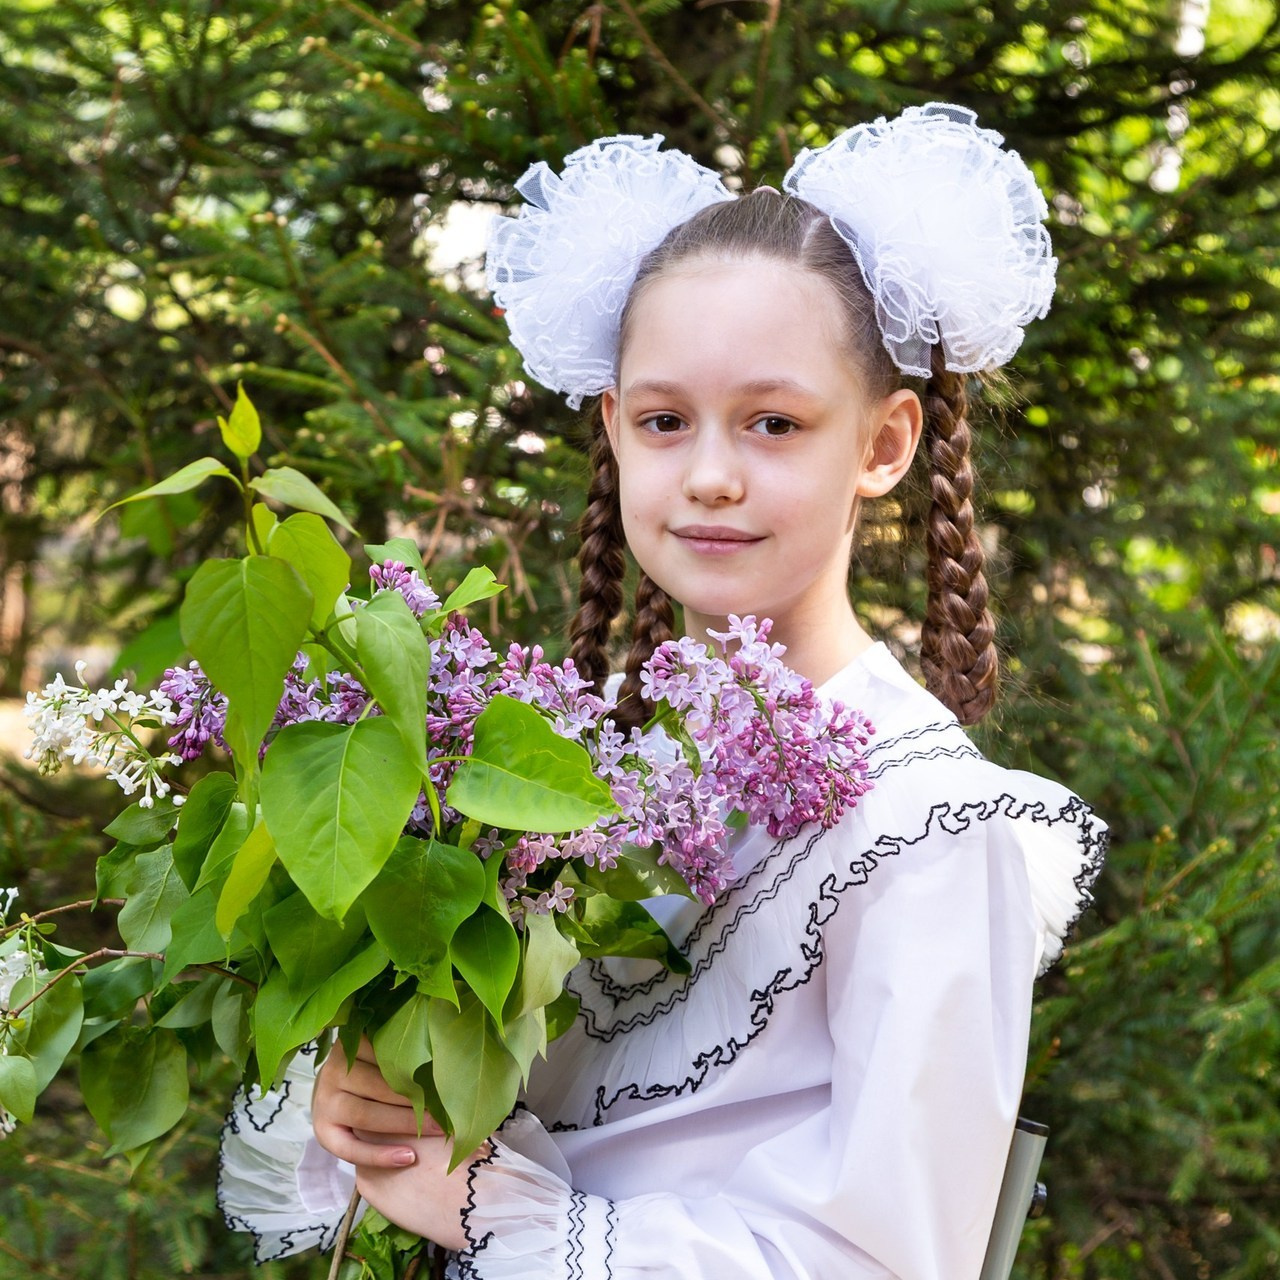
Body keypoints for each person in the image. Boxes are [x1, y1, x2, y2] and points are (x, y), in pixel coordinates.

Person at [218, 103, 1107, 1279]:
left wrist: (499, 1209)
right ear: (613, 428)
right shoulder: (557, 773)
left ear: (885, 442)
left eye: (774, 421)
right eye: (664, 420)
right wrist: (371, 1102)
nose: (711, 475)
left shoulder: (926, 829)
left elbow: (888, 1261)